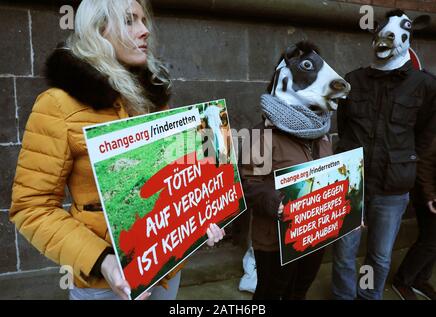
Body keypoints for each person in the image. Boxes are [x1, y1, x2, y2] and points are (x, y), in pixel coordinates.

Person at [9, 0, 224, 301]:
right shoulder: (56, 105)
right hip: (104, 285)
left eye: (143, 20)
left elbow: (171, 179)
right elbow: (31, 207)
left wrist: (200, 212)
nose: (145, 30)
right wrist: (104, 262)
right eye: (130, 21)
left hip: (167, 270)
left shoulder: (153, 98)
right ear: (98, 31)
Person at [332, 10, 436, 300]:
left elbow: (426, 133)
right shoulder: (353, 80)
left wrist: (406, 160)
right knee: (343, 252)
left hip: (392, 188)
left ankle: (369, 297)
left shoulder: (425, 86)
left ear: (407, 38)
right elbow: (345, 128)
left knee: (379, 256)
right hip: (352, 184)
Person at [241, 41, 350, 300]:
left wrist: (348, 206)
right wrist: (275, 202)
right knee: (271, 291)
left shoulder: (321, 133)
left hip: (314, 235)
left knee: (299, 290)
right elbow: (247, 185)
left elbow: (330, 176)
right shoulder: (262, 135)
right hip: (274, 240)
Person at [392, 133, 436, 300]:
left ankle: (420, 280)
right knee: (430, 242)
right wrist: (430, 195)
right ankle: (402, 280)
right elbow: (425, 164)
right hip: (429, 198)